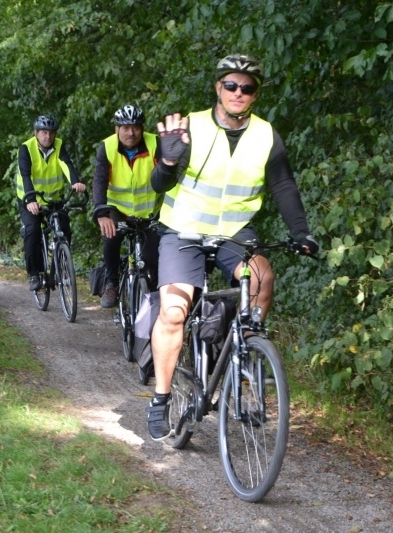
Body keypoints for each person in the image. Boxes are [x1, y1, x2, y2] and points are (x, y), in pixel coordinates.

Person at [144, 54, 319, 440]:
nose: (239, 93)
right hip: (183, 230)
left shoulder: (266, 135)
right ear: (218, 88)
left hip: (234, 232)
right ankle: (160, 398)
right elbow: (159, 185)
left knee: (262, 278)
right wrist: (168, 162)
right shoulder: (191, 127)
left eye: (247, 87)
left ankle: (243, 351)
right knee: (174, 312)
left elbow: (283, 187)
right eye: (231, 85)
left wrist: (302, 232)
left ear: (255, 95)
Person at [92, 105, 163, 308]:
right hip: (118, 210)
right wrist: (101, 211)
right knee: (111, 237)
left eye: (135, 127)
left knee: (153, 257)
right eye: (125, 128)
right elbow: (99, 181)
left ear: (142, 128)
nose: (130, 133)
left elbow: (167, 177)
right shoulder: (107, 147)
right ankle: (111, 282)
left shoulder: (154, 144)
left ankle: (155, 298)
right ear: (117, 130)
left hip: (150, 213)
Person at [16, 115, 86, 292]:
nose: (48, 137)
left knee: (64, 230)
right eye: (44, 133)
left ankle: (58, 270)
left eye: (51, 133)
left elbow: (66, 164)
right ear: (36, 133)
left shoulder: (59, 146)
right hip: (29, 199)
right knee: (32, 231)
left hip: (54, 199)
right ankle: (34, 274)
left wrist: (75, 181)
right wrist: (31, 201)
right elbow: (26, 175)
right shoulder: (26, 148)